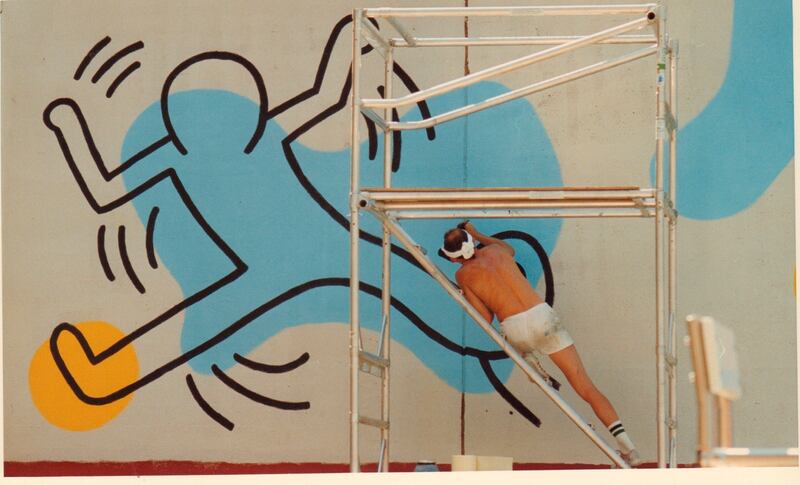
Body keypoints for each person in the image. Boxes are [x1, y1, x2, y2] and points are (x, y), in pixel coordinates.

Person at [441, 221, 641, 467]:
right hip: (541, 317)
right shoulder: (497, 251)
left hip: (514, 327)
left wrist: (464, 296)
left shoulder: (462, 275)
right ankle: (629, 448)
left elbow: (486, 318)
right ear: (472, 241)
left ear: (452, 260)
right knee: (585, 386)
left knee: (509, 337)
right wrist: (477, 233)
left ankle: (529, 359)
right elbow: (508, 249)